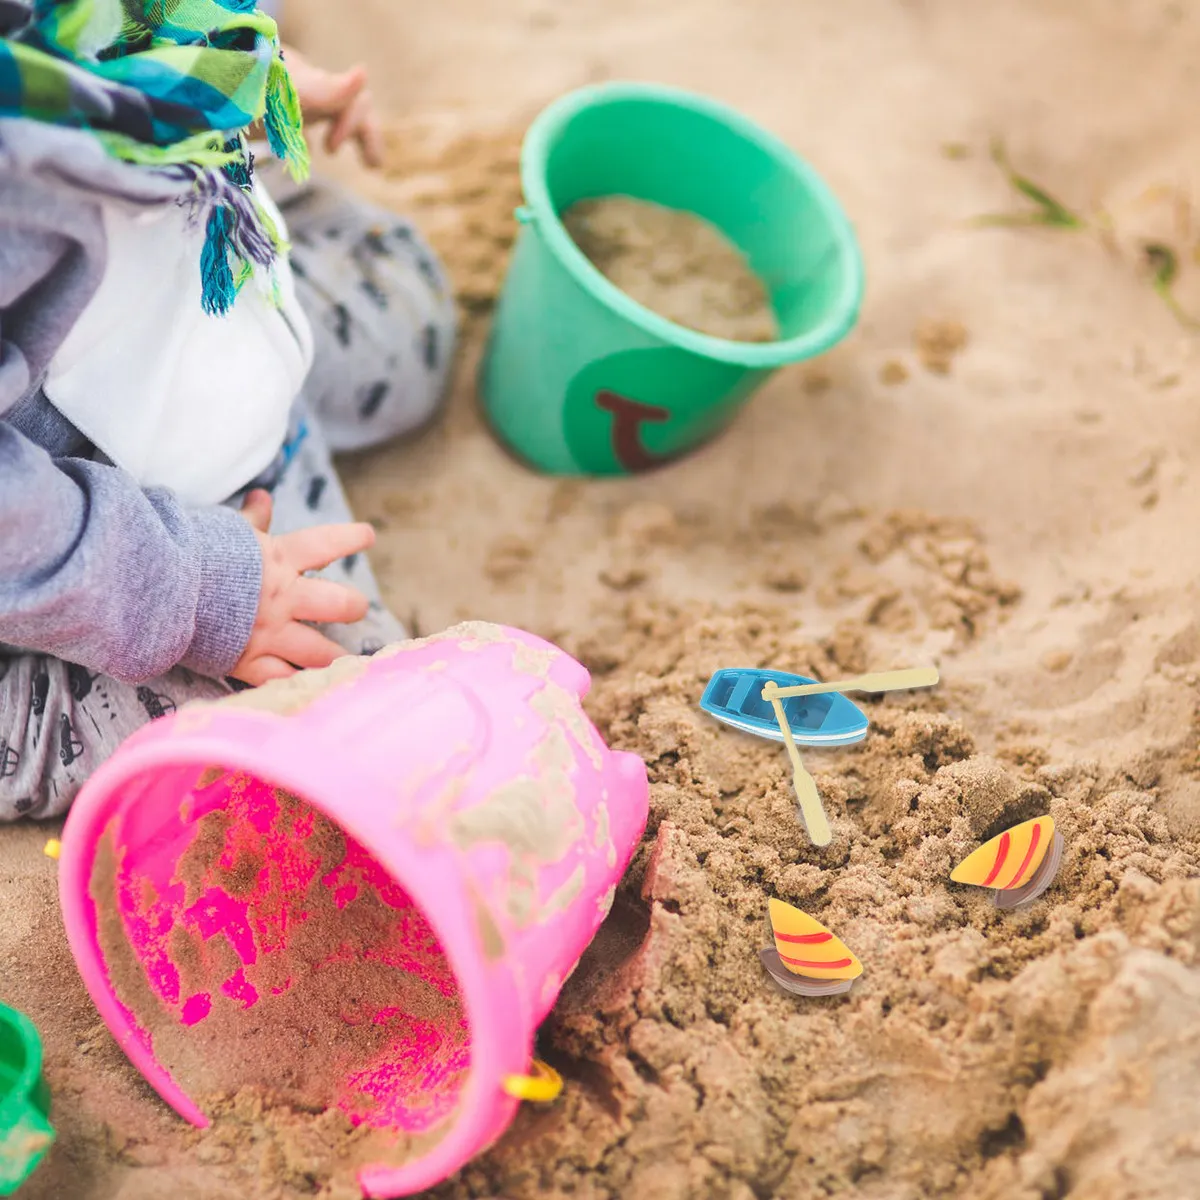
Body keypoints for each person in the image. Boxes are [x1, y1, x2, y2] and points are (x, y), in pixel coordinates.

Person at [0, 1, 456, 819]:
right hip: (80, 533)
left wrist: (240, 67)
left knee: (413, 332)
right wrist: (199, 591)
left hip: (193, 321)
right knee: (338, 717)